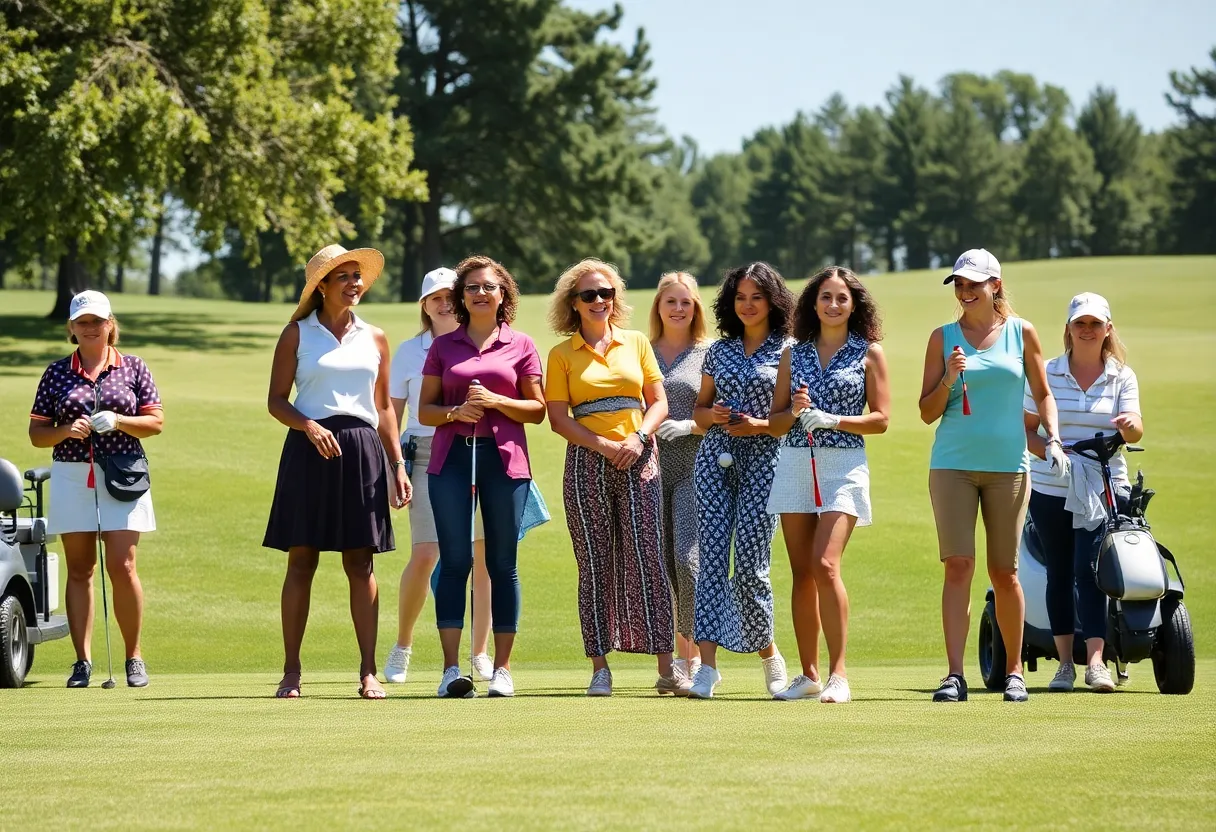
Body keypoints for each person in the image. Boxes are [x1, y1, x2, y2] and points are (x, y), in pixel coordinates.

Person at [264, 244, 411, 700]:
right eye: (344, 276)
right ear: (321, 286)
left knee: (360, 562)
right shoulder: (296, 334)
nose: (354, 283)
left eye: (357, 276)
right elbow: (276, 400)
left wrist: (397, 465)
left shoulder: (376, 337)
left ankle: (368, 672)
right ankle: (291, 672)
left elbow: (384, 406)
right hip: (308, 451)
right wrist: (308, 426)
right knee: (301, 560)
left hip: (363, 452)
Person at [918, 248, 1064, 703]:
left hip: (1008, 468)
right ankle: (955, 675)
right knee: (958, 565)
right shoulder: (942, 338)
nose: (964, 292)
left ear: (995, 286)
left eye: (973, 284)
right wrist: (948, 378)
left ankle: (1015, 672)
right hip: (952, 465)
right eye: (959, 284)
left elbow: (1043, 394)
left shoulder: (1022, 334)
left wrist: (1053, 439)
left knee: (1005, 571)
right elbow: (925, 413)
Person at [545, 258, 676, 697]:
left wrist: (638, 438)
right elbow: (559, 420)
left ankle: (666, 665)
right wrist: (605, 446)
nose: (599, 301)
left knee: (647, 557)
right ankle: (600, 667)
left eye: (606, 293)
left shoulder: (636, 342)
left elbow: (658, 402)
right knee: (594, 563)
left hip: (640, 457)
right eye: (589, 295)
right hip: (587, 462)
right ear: (574, 303)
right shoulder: (561, 354)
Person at [417, 255, 545, 699]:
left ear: (503, 293)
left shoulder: (522, 344)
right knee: (455, 562)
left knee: (502, 565)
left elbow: (538, 410)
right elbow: (425, 410)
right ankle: (451, 669)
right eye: (471, 287)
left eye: (488, 286)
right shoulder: (443, 346)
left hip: (505, 462)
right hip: (452, 460)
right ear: (461, 296)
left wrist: (494, 400)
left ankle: (503, 669)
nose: (479, 293)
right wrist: (455, 411)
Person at [767, 267, 890, 703]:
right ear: (813, 304)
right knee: (802, 572)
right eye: (825, 297)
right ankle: (809, 675)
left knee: (825, 564)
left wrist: (835, 419)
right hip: (797, 462)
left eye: (841, 298)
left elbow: (881, 419)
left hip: (844, 465)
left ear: (854, 304)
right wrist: (796, 410)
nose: (833, 305)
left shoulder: (868, 353)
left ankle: (839, 674)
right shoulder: (792, 353)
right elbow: (775, 422)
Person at [28, 290, 163, 688]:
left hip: (123, 473)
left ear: (110, 325)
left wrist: (119, 420)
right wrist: (65, 430)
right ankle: (82, 662)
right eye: (82, 322)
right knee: (80, 569)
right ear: (72, 328)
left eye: (97, 321)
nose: (90, 328)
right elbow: (37, 434)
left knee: (122, 566)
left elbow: (155, 422)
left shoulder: (133, 367)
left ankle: (134, 658)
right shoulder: (56, 372)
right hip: (72, 473)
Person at [1024, 292, 1142, 693]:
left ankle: (1095, 663)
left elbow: (1136, 429)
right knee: (1058, 573)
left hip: (1102, 488)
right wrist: (1051, 452)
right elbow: (1026, 429)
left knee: (1090, 573)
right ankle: (1063, 665)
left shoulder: (1121, 376)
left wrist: (1128, 425)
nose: (1088, 330)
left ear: (1107, 329)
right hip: (1050, 486)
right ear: (1069, 329)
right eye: (1081, 323)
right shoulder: (1049, 372)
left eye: (1095, 324)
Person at [688, 261, 795, 700]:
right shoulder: (719, 350)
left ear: (772, 301)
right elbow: (698, 412)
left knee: (751, 566)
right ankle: (707, 668)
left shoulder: (789, 349)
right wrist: (710, 416)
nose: (748, 305)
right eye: (740, 297)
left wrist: (758, 424)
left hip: (766, 462)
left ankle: (768, 653)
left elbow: (788, 419)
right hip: (715, 458)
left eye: (757, 296)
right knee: (711, 560)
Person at [383, 267, 494, 687]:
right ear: (424, 306)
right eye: (435, 298)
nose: (444, 303)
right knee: (427, 552)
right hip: (428, 452)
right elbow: (392, 414)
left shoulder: (480, 342)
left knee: (482, 558)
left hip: (481, 451)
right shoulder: (411, 351)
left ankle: (479, 652)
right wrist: (394, 465)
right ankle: (403, 644)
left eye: (450, 295)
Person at [650, 272, 712, 691]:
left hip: (693, 468)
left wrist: (692, 425)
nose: (678, 309)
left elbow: (723, 416)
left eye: (685, 302)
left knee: (688, 561)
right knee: (660, 564)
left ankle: (693, 661)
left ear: (695, 308)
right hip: (649, 468)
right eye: (670, 301)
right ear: (659, 306)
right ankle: (671, 664)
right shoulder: (641, 350)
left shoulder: (709, 353)